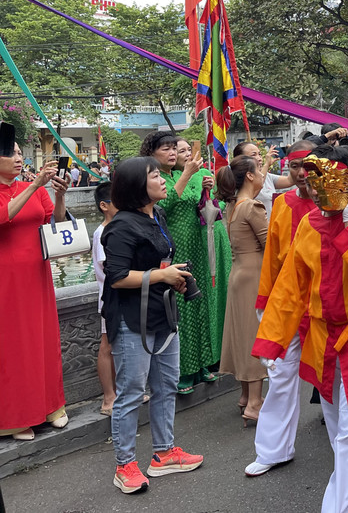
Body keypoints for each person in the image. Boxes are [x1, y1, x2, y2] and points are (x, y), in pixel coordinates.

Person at [253, 145, 348, 510]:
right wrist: (273, 342)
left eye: (320, 179)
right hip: (323, 336)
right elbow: (291, 286)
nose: (312, 186)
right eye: (310, 179)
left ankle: (338, 506)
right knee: (341, 425)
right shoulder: (309, 222)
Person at [101, 156, 203, 494]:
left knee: (167, 385)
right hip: (132, 319)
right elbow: (115, 277)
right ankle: (124, 464)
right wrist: (162, 274)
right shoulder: (121, 225)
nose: (162, 179)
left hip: (162, 312)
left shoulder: (156, 215)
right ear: (136, 186)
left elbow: (158, 260)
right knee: (131, 392)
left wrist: (171, 275)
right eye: (155, 175)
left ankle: (163, 454)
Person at [244, 139, 318, 477]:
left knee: (332, 382)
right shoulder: (282, 202)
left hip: (324, 306)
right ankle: (274, 450)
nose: (302, 174)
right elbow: (272, 259)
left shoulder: (340, 204)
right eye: (294, 168)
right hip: (287, 305)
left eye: (309, 168)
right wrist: (265, 305)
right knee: (281, 376)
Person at [139, 130, 231, 394]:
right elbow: (161, 207)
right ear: (152, 153)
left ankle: (202, 363)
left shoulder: (181, 175)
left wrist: (206, 191)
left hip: (197, 247)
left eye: (173, 148)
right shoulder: (150, 177)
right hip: (173, 248)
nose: (172, 153)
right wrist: (190, 174)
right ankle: (182, 372)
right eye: (166, 149)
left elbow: (207, 208)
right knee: (180, 309)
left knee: (198, 304)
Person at [0, 144, 69, 441]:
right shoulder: (29, 188)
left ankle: (50, 406)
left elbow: (58, 223)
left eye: (19, 153)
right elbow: (4, 217)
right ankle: (14, 418)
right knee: (13, 345)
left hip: (38, 273)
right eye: (10, 153)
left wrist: (60, 194)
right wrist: (35, 185)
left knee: (43, 338)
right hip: (6, 278)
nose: (18, 158)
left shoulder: (35, 188)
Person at [216, 155, 269, 425]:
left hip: (239, 273)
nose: (262, 174)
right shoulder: (252, 207)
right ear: (249, 176)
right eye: (259, 169)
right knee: (254, 335)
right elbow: (270, 244)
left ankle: (245, 396)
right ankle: (255, 403)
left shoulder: (232, 205)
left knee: (241, 332)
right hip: (255, 275)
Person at [92, 181, 119, 416]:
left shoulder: (117, 228)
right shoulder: (103, 231)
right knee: (107, 344)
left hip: (121, 295)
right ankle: (108, 397)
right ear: (104, 206)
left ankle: (120, 390)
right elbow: (108, 266)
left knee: (119, 344)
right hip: (109, 297)